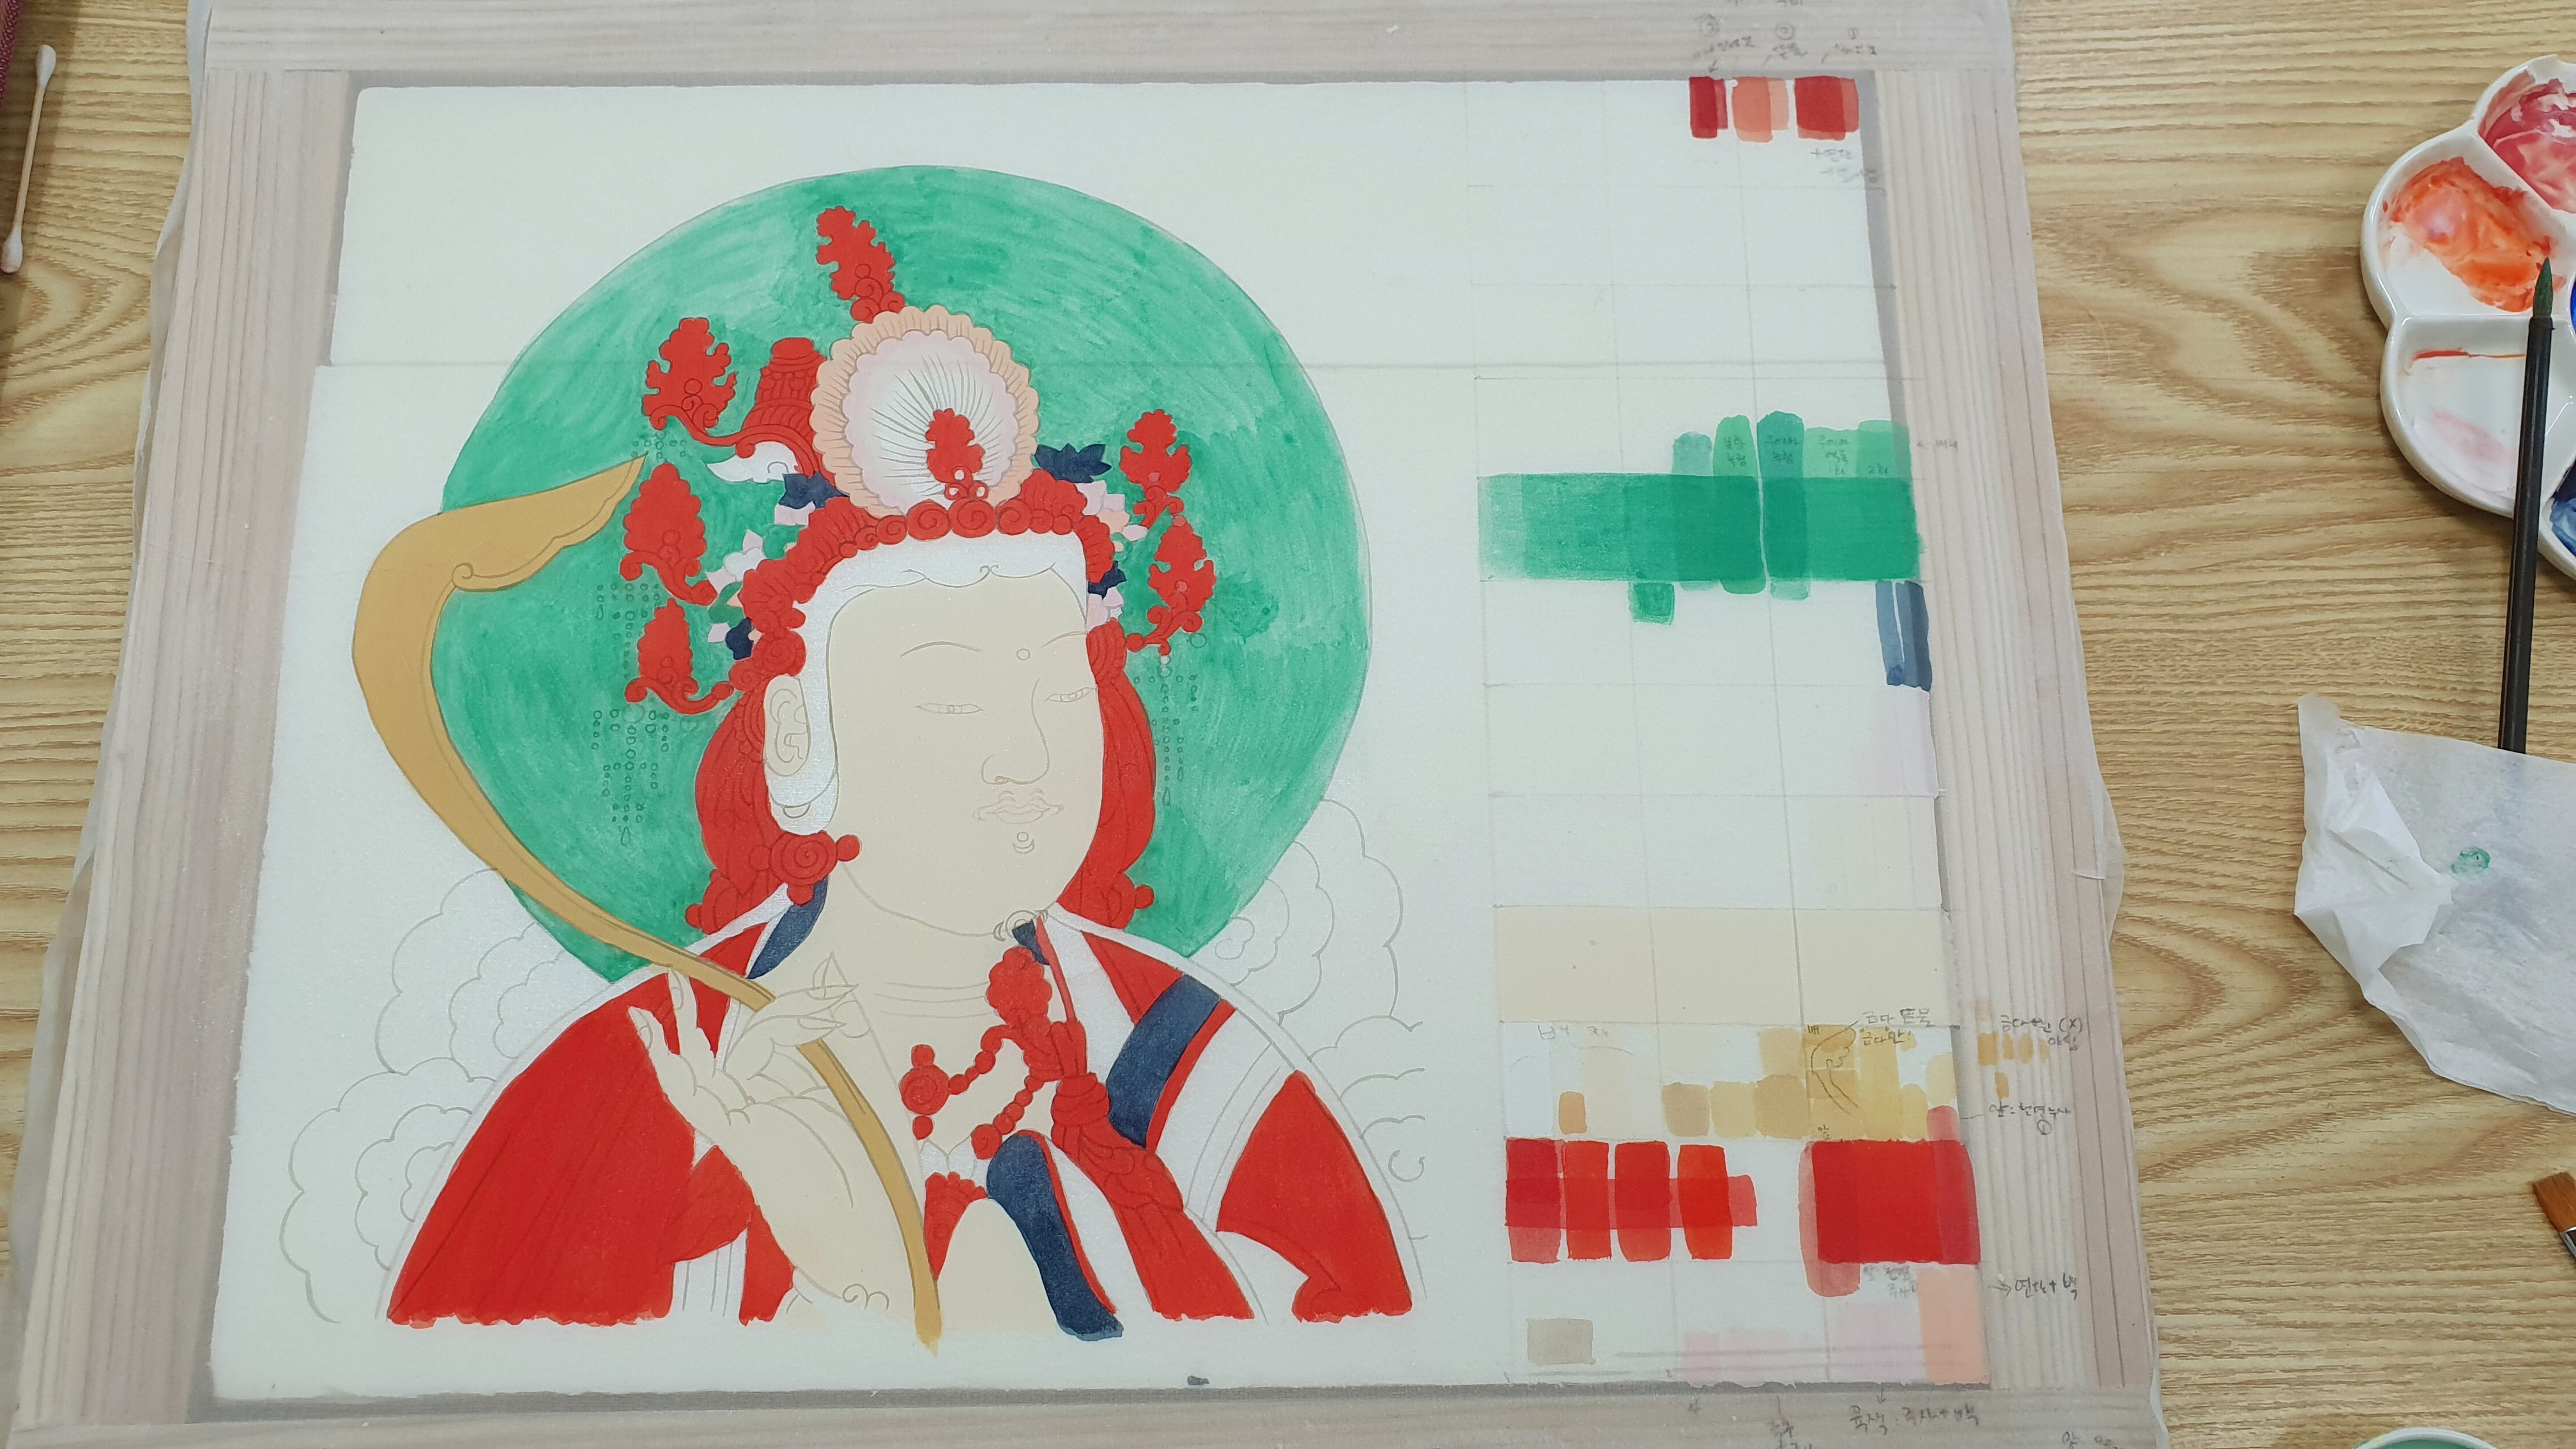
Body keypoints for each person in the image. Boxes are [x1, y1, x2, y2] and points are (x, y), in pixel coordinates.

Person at [385, 209, 1411, 1339]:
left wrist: (892, 1272)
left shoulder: (1208, 1083)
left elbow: (1336, 1351)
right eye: (949, 696)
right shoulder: (633, 1089)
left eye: (1058, 689)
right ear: (795, 739)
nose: (1025, 756)